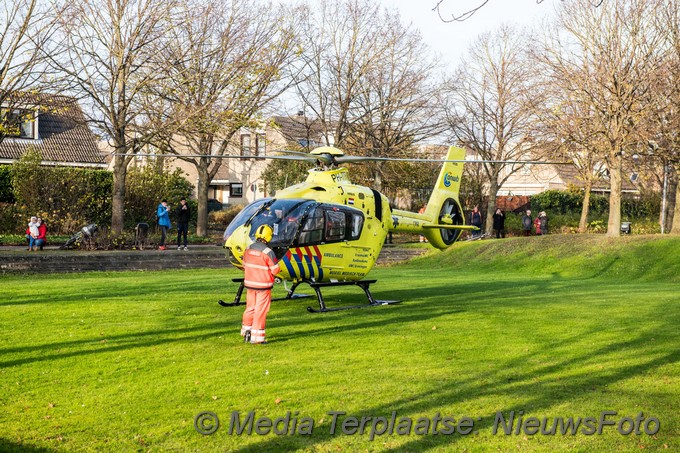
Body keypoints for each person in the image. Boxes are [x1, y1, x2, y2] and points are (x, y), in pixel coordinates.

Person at [241, 225, 280, 345]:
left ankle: (246, 332)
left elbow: (244, 264)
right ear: (268, 237)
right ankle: (257, 338)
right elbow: (275, 270)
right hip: (263, 286)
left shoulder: (248, 249)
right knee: (260, 310)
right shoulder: (268, 252)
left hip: (250, 285)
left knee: (250, 308)